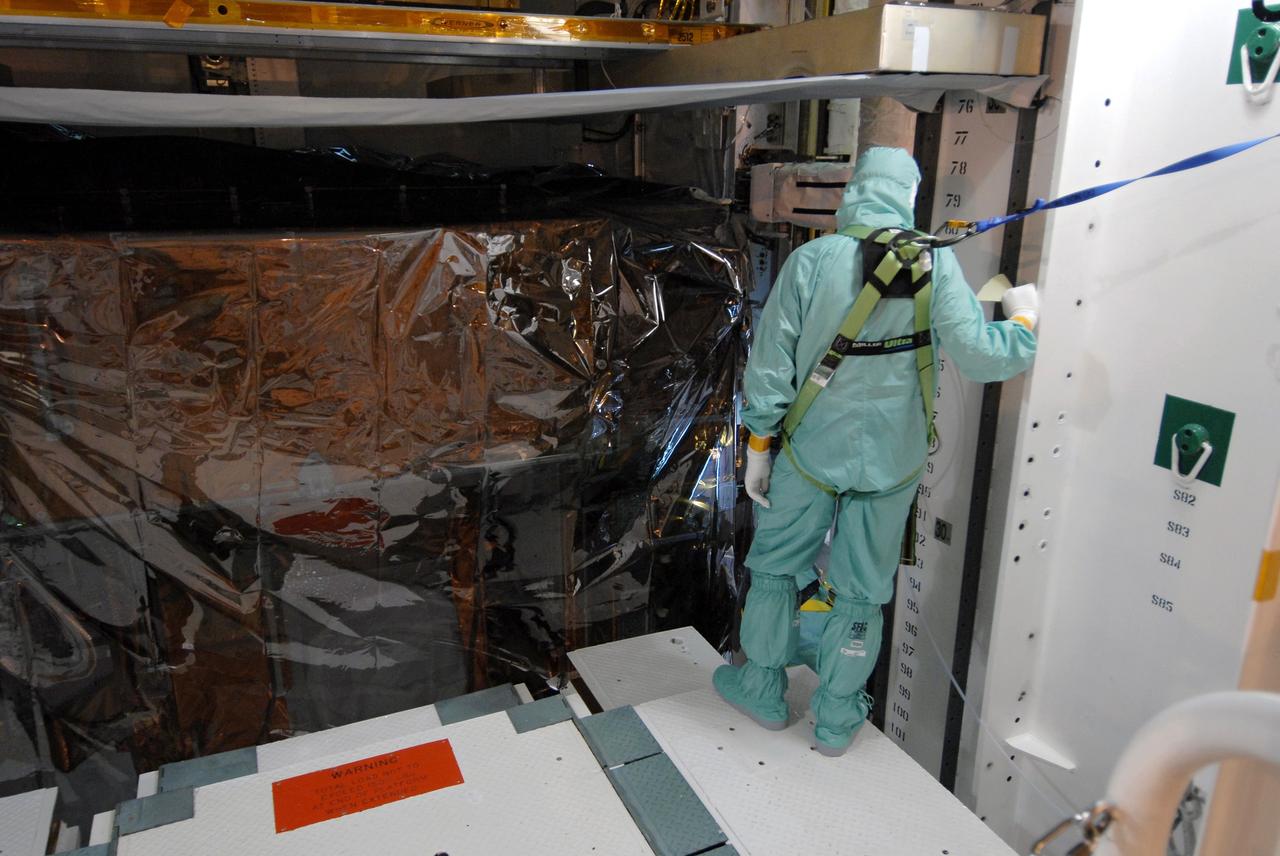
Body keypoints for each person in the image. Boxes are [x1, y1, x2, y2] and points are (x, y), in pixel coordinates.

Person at [714, 146, 1039, 757]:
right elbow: (981, 355)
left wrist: (760, 444)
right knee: (863, 588)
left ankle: (762, 687)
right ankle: (836, 715)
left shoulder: (811, 261)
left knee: (777, 566)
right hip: (893, 459)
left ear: (854, 193)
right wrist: (1022, 325)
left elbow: (770, 368)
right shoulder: (937, 267)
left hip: (811, 451)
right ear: (908, 197)